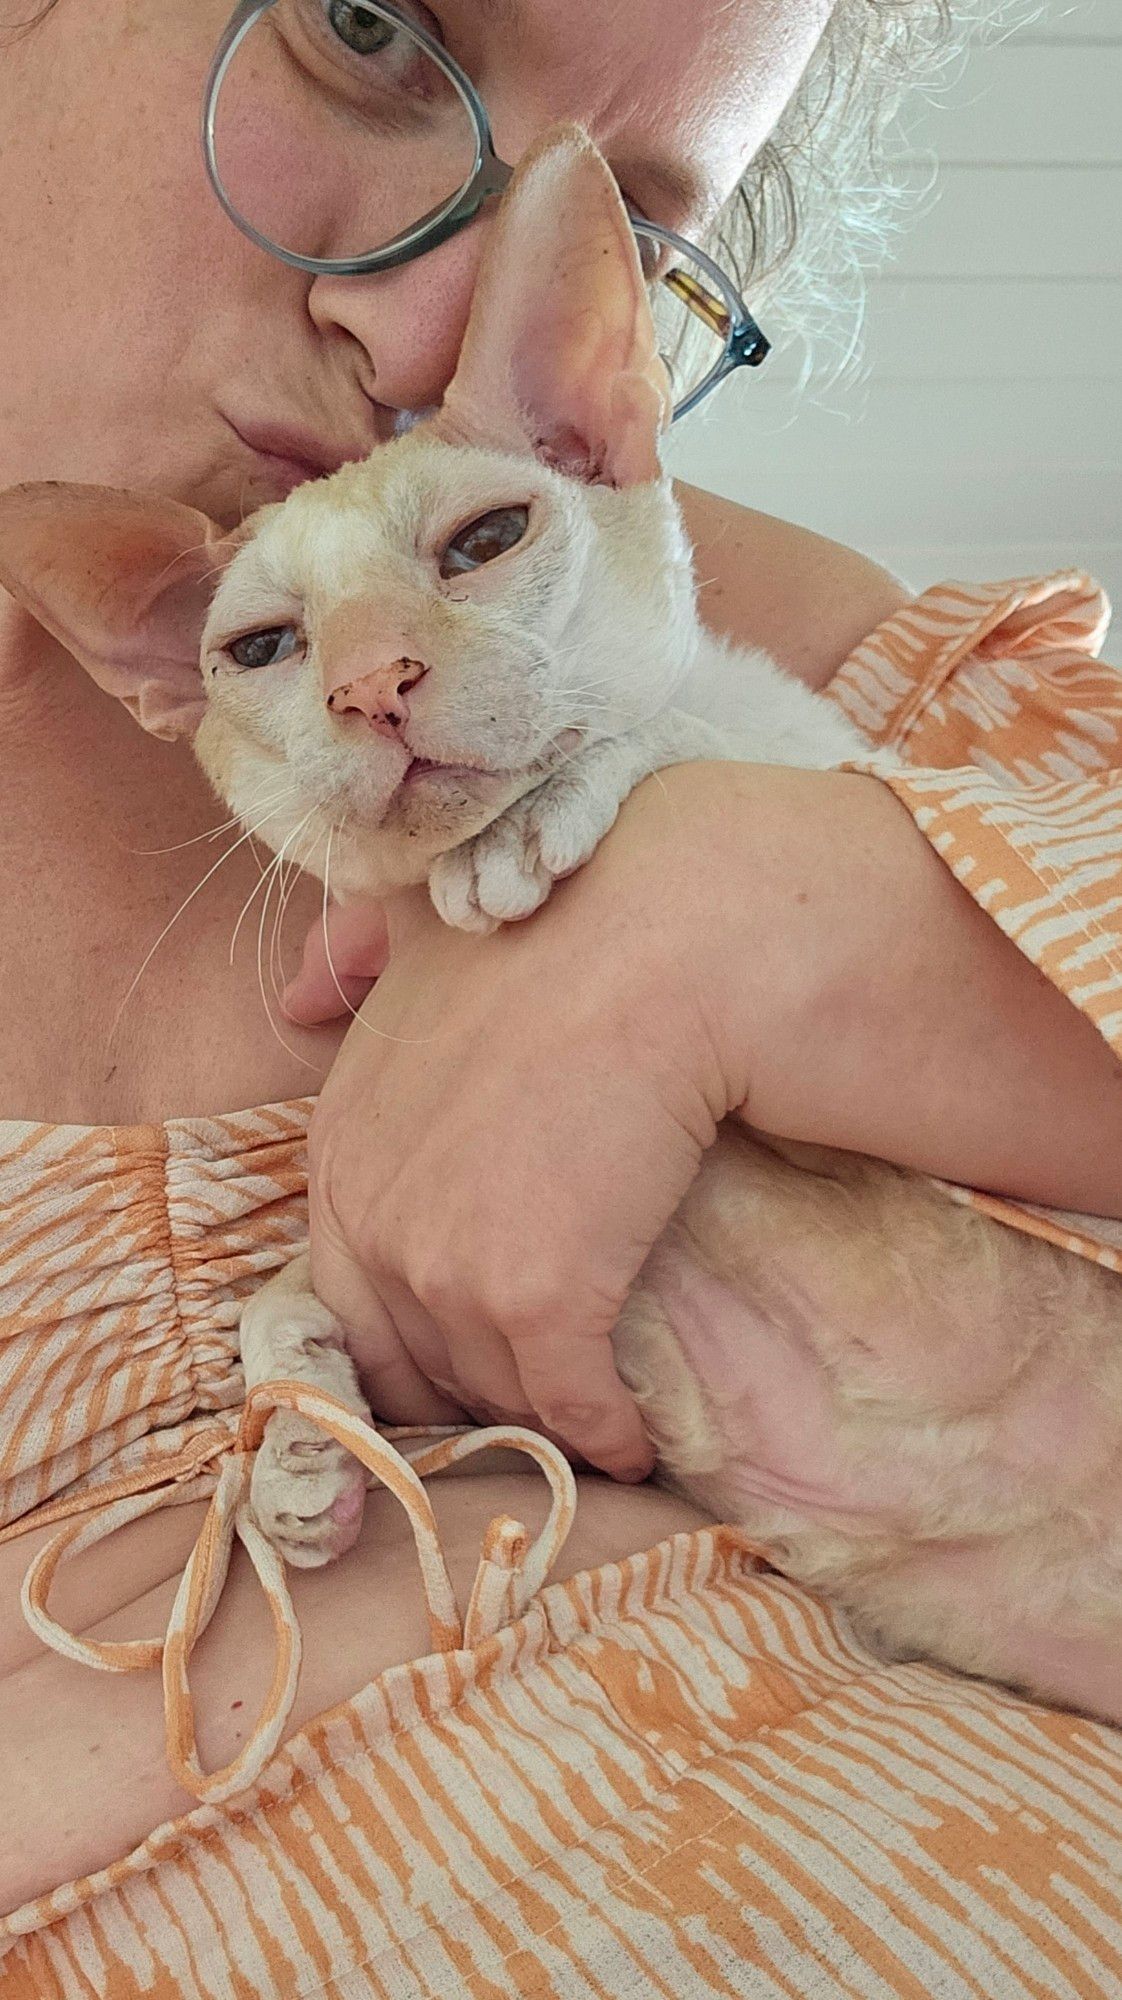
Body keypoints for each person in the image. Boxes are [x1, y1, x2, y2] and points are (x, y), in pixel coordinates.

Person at [1, 0, 1120, 1991]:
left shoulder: (806, 655)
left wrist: (780, 915)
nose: (430, 325)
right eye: (367, 30)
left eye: (626, 224)